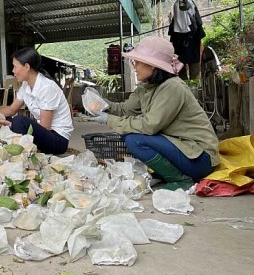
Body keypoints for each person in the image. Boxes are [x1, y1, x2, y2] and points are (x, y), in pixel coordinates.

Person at [89, 36, 220, 190]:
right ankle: (169, 174)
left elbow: (150, 126)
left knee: (134, 140)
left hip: (199, 157)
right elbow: (125, 110)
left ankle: (182, 181)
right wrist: (102, 105)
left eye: (137, 62)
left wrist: (108, 120)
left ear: (152, 65)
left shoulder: (172, 87)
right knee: (129, 134)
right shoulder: (146, 87)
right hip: (183, 149)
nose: (134, 66)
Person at [0, 47, 73, 154]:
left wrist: (11, 126)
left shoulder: (47, 87)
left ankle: (10, 144)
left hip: (57, 140)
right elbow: (11, 109)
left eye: (15, 67)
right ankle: (7, 145)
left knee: (20, 121)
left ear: (26, 67)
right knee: (0, 120)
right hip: (44, 134)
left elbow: (45, 127)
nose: (13, 71)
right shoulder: (26, 86)